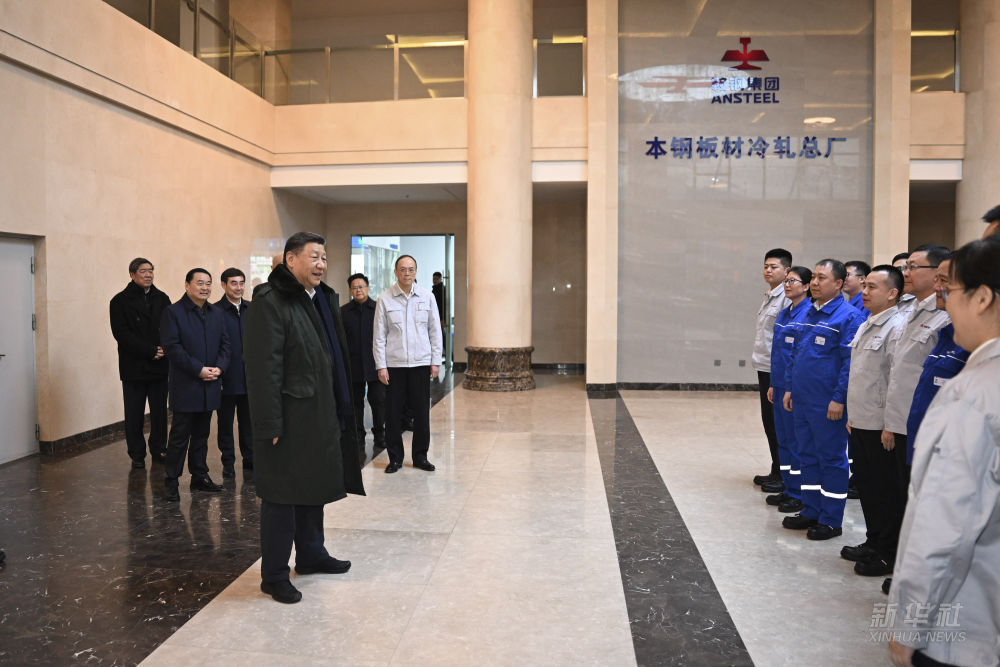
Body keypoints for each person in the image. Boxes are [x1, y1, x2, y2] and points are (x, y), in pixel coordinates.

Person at [887, 237, 1000, 667]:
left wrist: (908, 626)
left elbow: (945, 528)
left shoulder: (974, 395)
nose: (945, 302)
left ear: (982, 298)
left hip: (964, 631)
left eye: (950, 290)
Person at [244, 232, 365, 604]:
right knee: (281, 496)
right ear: (291, 259)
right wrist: (269, 423)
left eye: (324, 258)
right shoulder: (270, 301)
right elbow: (263, 369)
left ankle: (311, 554)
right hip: (289, 418)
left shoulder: (321, 297)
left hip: (319, 412)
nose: (321, 264)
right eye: (314, 257)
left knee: (314, 488)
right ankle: (274, 575)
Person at [781, 259, 863, 539]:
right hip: (803, 399)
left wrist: (839, 398)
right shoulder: (808, 312)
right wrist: (790, 388)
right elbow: (795, 354)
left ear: (838, 284)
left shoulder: (848, 317)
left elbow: (850, 362)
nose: (814, 283)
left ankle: (830, 519)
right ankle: (811, 509)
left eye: (822, 278)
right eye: (814, 277)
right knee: (807, 455)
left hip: (827, 403)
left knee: (830, 459)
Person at [842, 265, 907, 577]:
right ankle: (873, 540)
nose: (864, 292)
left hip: (880, 426)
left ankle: (887, 551)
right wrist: (852, 415)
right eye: (864, 285)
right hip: (861, 419)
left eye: (872, 287)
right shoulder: (868, 322)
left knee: (885, 491)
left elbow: (896, 379)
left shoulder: (897, 327)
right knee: (867, 486)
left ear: (892, 293)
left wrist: (890, 424)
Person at [159, 268, 230, 501]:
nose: (205, 287)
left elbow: (225, 345)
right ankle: (171, 480)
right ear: (187, 285)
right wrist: (198, 369)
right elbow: (172, 348)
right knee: (180, 435)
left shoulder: (217, 313)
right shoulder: (173, 312)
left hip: (210, 383)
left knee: (202, 433)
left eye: (208, 283)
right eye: (199, 283)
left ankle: (199, 476)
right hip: (186, 384)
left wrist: (220, 368)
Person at [374, 255, 443, 474]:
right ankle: (395, 458)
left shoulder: (427, 296)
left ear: (416, 272)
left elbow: (435, 331)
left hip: (420, 364)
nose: (407, 273)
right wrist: (381, 366)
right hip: (394, 365)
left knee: (421, 413)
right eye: (402, 269)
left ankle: (420, 457)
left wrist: (435, 361)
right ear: (395, 272)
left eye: (411, 269)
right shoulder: (384, 299)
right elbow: (379, 336)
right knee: (393, 413)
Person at [109, 258, 171, 469]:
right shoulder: (119, 301)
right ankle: (136, 454)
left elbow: (170, 327)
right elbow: (121, 334)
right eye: (143, 271)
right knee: (134, 413)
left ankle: (159, 448)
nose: (148, 274)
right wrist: (149, 350)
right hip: (134, 366)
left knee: (160, 413)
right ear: (132, 274)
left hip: (160, 365)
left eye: (151, 270)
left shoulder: (162, 298)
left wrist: (163, 349)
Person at [765, 265, 812, 513]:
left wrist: (791, 387)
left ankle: (799, 492)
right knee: (783, 439)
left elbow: (800, 357)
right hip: (780, 383)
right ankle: (788, 486)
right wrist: (774, 384)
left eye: (793, 281)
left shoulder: (808, 314)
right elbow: (778, 353)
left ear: (806, 286)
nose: (787, 285)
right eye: (787, 281)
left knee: (796, 442)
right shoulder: (785, 313)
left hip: (793, 387)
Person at [752, 248, 793, 491]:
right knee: (769, 421)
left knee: (778, 423)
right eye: (766, 266)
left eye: (774, 267)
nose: (768, 270)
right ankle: (776, 469)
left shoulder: (786, 298)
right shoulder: (770, 295)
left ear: (787, 270)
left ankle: (782, 474)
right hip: (764, 365)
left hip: (776, 368)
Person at [342, 273, 385, 455]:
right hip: (353, 365)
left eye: (361, 286)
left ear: (368, 288)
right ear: (350, 290)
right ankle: (358, 435)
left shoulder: (378, 309)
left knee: (379, 401)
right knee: (356, 403)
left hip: (375, 363)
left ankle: (380, 435)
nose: (358, 290)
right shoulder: (343, 312)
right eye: (354, 287)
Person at [215, 267, 252, 477]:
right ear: (224, 285)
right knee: (225, 423)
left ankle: (250, 459)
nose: (238, 287)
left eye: (241, 283)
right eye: (233, 283)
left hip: (249, 378)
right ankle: (228, 461)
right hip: (226, 377)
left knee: (249, 423)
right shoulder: (214, 311)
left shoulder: (252, 309)